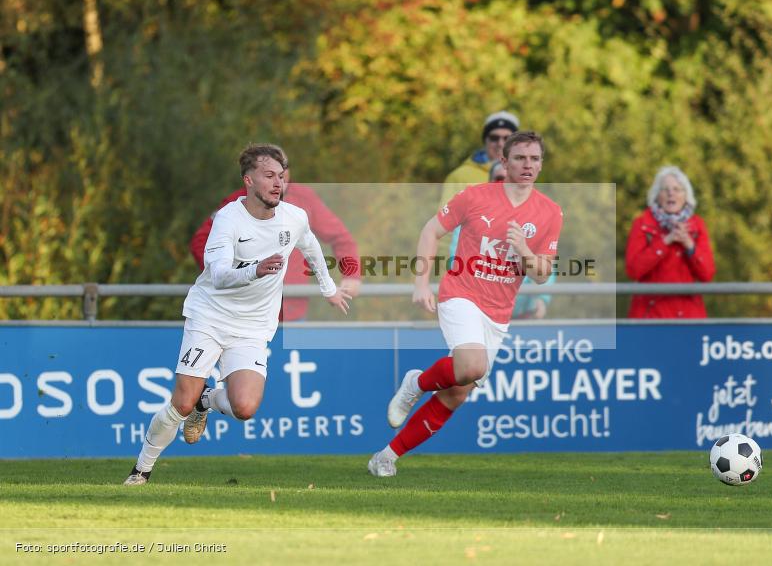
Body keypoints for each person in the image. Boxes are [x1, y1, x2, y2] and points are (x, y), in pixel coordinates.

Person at [124, 144, 352, 485]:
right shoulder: (228, 218)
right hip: (210, 318)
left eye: (281, 177)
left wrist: (328, 288)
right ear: (248, 180)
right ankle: (141, 471)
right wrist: (254, 271)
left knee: (244, 408)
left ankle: (208, 399)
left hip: (254, 327)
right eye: (269, 176)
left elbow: (311, 247)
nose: (278, 184)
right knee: (181, 404)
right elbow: (217, 275)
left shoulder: (294, 217)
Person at [367, 131, 563, 477]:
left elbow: (544, 272)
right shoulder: (474, 196)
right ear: (504, 161)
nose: (527, 165)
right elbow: (431, 231)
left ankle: (386, 456)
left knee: (458, 393)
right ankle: (416, 384)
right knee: (472, 366)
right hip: (461, 293)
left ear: (541, 164)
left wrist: (526, 253)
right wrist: (421, 283)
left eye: (534, 158)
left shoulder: (550, 212)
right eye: (519, 158)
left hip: (498, 312)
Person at [190, 161, 361, 321]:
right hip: (241, 311)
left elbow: (341, 238)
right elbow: (201, 242)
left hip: (291, 312)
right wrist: (227, 276)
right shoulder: (237, 203)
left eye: (282, 169)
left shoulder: (303, 199)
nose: (278, 178)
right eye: (269, 173)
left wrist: (351, 273)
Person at [624, 165, 715, 318]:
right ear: (657, 196)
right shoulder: (642, 224)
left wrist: (689, 245)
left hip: (689, 316)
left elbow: (707, 274)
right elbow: (633, 270)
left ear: (686, 196)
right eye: (665, 190)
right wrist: (665, 242)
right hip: (651, 315)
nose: (671, 194)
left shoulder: (697, 225)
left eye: (677, 189)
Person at [488, 161, 553, 320]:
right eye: (498, 178)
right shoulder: (472, 214)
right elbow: (458, 260)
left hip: (524, 314)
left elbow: (547, 263)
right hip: (482, 311)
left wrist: (542, 298)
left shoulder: (538, 216)